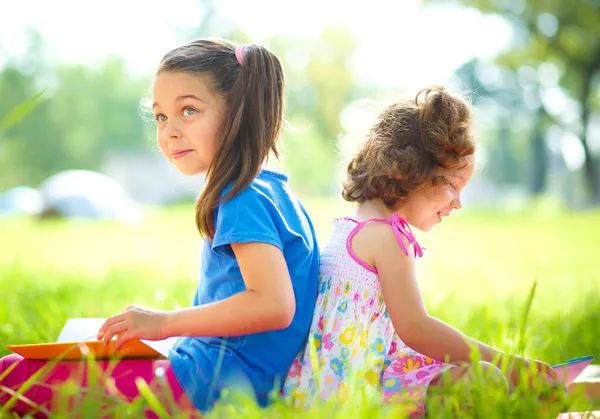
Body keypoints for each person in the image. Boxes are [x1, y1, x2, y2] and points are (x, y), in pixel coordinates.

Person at [0, 39, 320, 417]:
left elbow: (273, 304)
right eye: (160, 117)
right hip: (214, 374)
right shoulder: (270, 190)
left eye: (188, 110)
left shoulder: (242, 196)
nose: (169, 131)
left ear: (238, 112)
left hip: (209, 386)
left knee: (10, 377)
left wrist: (164, 323)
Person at [282, 86, 558, 417]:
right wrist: (507, 362)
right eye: (453, 185)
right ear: (405, 169)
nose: (458, 203)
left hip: (328, 390)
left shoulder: (348, 230)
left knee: (485, 381)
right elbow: (417, 329)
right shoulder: (386, 238)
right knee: (486, 377)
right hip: (363, 394)